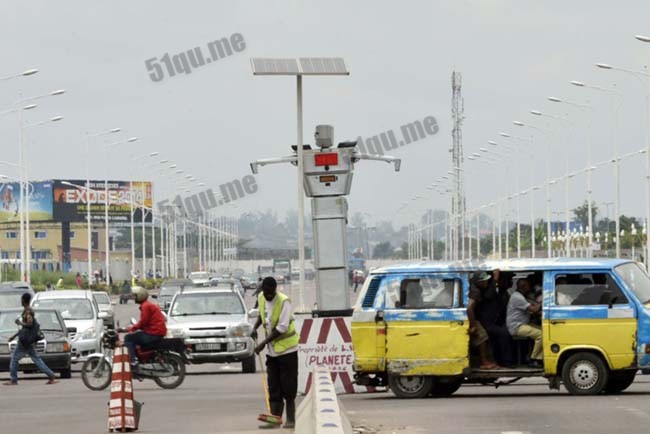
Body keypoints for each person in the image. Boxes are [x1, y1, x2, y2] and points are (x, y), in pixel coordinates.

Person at [252, 277, 299, 429]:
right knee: (274, 387)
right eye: (265, 293)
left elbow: (282, 328)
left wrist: (262, 344)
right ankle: (274, 421)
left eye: (270, 293)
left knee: (289, 388)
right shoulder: (261, 297)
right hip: (272, 353)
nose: (267, 296)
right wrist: (254, 327)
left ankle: (291, 419)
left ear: (275, 290)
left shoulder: (284, 301)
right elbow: (262, 314)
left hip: (287, 351)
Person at [3, 293, 59, 385]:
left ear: (23, 300)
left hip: (24, 342)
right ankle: (51, 376)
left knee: (14, 359)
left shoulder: (28, 312)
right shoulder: (27, 310)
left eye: (21, 299)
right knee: (36, 359)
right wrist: (14, 336)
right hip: (27, 340)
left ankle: (13, 379)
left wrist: (19, 323)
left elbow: (29, 324)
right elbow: (25, 329)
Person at [469, 270, 514, 368]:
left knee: (505, 331)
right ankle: (502, 362)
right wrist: (473, 325)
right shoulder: (478, 291)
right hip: (484, 322)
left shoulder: (501, 292)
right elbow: (470, 307)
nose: (510, 282)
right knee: (501, 334)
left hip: (491, 321)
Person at [123, 287, 167, 368]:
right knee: (135, 336)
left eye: (135, 296)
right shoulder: (147, 305)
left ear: (140, 296)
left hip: (154, 333)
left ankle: (132, 361)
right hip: (155, 331)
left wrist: (132, 328)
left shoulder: (145, 306)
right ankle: (137, 357)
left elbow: (143, 322)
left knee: (128, 338)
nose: (133, 298)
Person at [506, 278, 543, 368]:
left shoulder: (521, 296)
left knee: (546, 331)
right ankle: (534, 359)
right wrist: (542, 300)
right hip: (517, 326)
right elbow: (534, 309)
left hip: (523, 323)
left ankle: (537, 356)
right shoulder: (517, 297)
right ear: (523, 287)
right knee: (541, 335)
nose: (530, 288)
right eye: (528, 286)